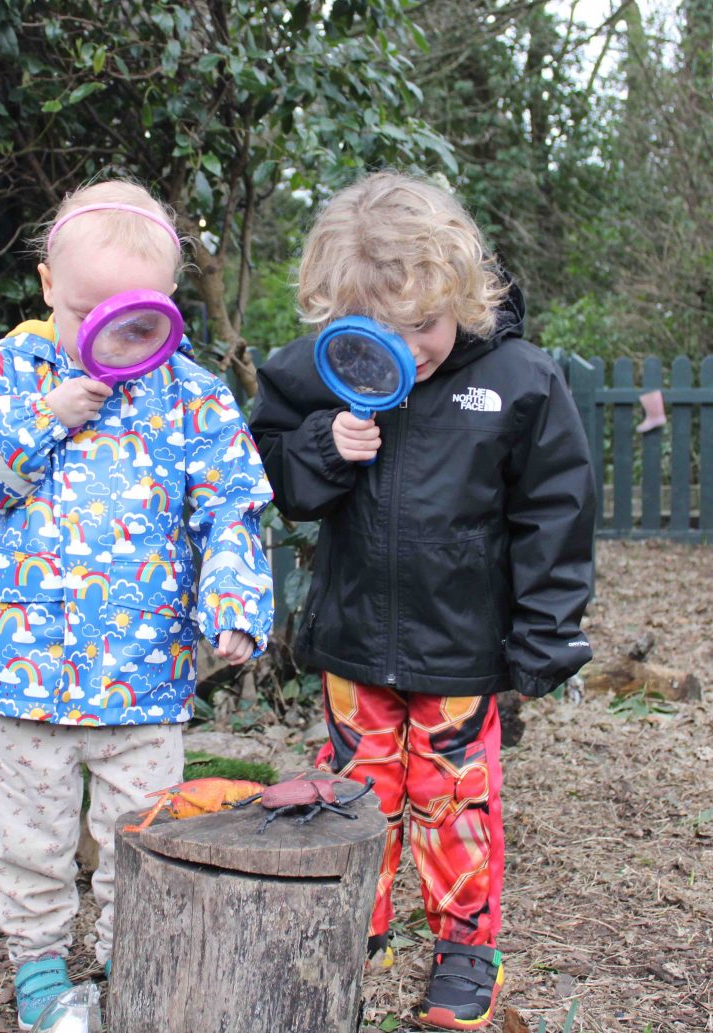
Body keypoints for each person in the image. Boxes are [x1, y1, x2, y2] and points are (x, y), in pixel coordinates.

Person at [0, 179, 274, 1030]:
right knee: (31, 838)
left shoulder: (189, 394)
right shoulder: (10, 370)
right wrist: (46, 414)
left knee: (141, 832)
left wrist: (232, 603)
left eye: (133, 314)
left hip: (141, 676)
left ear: (166, 303)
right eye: (84, 310)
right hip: (25, 672)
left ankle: (133, 956)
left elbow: (230, 502)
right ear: (48, 287)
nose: (106, 334)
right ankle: (40, 965)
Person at [248, 171, 595, 1031]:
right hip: (355, 639)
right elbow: (272, 475)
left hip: (460, 646)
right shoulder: (320, 372)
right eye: (379, 332)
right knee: (356, 795)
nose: (408, 349)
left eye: (425, 325)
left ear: (462, 292)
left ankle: (466, 949)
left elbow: (555, 512)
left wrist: (545, 635)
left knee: (453, 798)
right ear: (338, 317)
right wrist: (325, 448)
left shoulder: (519, 379)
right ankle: (356, 934)